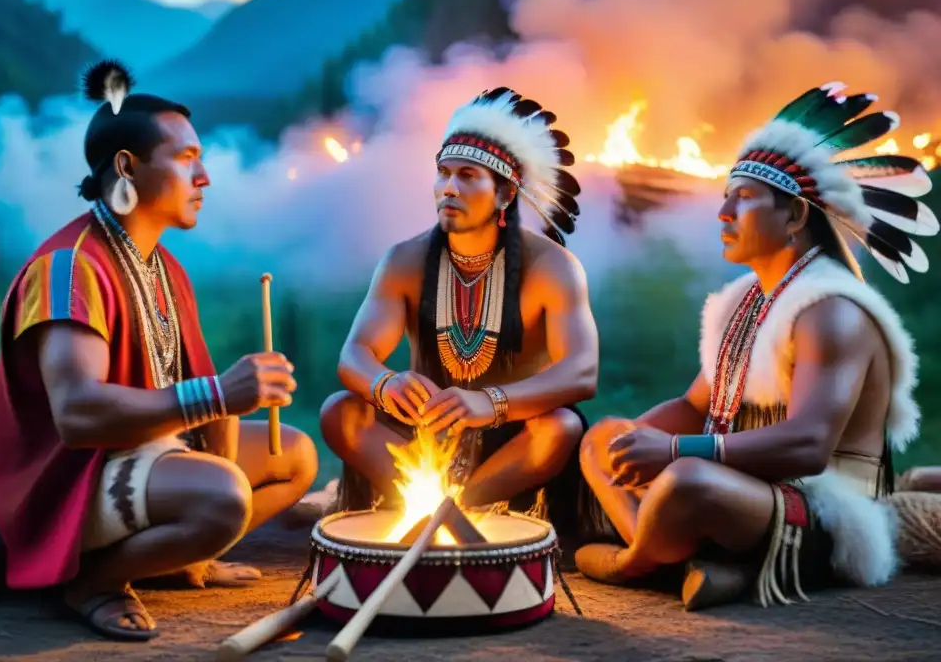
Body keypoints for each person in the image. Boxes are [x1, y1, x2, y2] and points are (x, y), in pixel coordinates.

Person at [0, 59, 319, 642]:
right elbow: (78, 415)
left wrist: (237, 400)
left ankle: (181, 555)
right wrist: (218, 395)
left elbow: (201, 404)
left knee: (294, 457)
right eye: (188, 159)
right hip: (72, 481)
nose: (205, 177)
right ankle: (95, 580)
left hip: (150, 456)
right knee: (221, 498)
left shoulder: (164, 268)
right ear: (126, 168)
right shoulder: (68, 269)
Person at [576, 82, 938, 609]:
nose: (722, 212)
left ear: (794, 217)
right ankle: (692, 563)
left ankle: (636, 562)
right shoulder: (745, 302)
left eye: (743, 198)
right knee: (602, 437)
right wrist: (637, 442)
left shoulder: (830, 311)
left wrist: (674, 451)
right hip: (747, 488)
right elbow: (695, 407)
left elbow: (809, 448)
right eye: (726, 196)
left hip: (826, 511)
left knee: (684, 483)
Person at [320, 87, 598, 536]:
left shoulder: (553, 267)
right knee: (341, 411)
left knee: (559, 427)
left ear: (505, 193)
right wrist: (385, 383)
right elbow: (354, 354)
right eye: (443, 173)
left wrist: (488, 404)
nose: (448, 187)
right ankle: (429, 508)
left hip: (508, 441)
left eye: (468, 175)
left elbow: (582, 374)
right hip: (419, 435)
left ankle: (454, 510)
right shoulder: (404, 261)